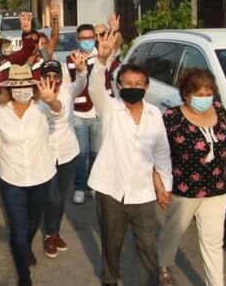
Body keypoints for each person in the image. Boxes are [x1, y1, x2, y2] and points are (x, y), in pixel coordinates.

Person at [88, 30, 172, 286]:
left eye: (138, 84)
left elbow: (162, 152)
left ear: (147, 87)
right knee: (111, 242)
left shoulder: (155, 115)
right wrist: (101, 60)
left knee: (147, 245)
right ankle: (110, 278)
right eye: (127, 84)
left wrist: (165, 185)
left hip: (143, 191)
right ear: (119, 86)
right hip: (110, 189)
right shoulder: (110, 108)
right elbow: (95, 88)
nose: (133, 88)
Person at [157, 68, 226, 286]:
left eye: (208, 94)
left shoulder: (219, 110)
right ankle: (163, 264)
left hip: (217, 188)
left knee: (213, 242)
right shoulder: (172, 117)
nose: (205, 99)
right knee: (174, 232)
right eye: (199, 94)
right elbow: (159, 151)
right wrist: (158, 182)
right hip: (185, 190)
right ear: (186, 94)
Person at [0, 65, 63, 286]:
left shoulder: (42, 108)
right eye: (16, 86)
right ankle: (24, 277)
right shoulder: (1, 113)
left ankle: (25, 246)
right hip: (12, 179)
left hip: (41, 177)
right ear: (9, 89)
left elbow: (59, 111)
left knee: (32, 224)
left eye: (26, 85)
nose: (21, 89)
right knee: (18, 228)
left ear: (33, 87)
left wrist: (52, 101)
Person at [67, 14, 121, 204]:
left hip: (99, 112)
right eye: (83, 38)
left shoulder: (103, 53)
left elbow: (115, 47)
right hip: (79, 112)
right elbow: (72, 84)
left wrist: (115, 29)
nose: (88, 41)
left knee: (96, 152)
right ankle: (80, 187)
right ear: (77, 39)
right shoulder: (72, 58)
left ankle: (93, 184)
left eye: (91, 37)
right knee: (81, 154)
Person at [38, 57, 87, 261]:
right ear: (41, 78)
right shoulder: (35, 97)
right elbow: (55, 112)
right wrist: (49, 101)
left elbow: (81, 83)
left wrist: (82, 70)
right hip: (45, 154)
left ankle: (54, 232)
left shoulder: (68, 90)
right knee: (53, 197)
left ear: (61, 77)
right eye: (47, 76)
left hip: (68, 153)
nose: (52, 80)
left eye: (56, 76)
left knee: (60, 197)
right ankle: (49, 234)